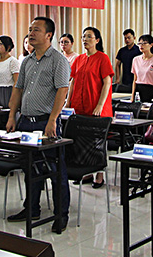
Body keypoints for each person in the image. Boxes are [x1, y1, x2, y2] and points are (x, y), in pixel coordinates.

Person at [6, 17, 71, 233]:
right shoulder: (27, 61)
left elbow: (62, 91)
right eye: (30, 29)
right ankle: (31, 209)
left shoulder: (58, 60)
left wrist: (52, 120)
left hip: (46, 122)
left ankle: (61, 214)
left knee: (55, 171)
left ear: (48, 35)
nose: (31, 33)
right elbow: (18, 89)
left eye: (36, 30)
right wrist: (12, 116)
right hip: (26, 122)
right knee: (30, 169)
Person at [67, 26, 114, 188]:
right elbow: (73, 81)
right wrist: (68, 102)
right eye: (83, 37)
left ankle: (99, 175)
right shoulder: (79, 59)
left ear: (97, 40)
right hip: (79, 106)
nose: (85, 40)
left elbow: (107, 82)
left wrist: (100, 105)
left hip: (96, 107)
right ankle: (86, 172)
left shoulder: (102, 58)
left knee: (97, 143)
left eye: (89, 36)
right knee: (81, 140)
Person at [130, 34, 153, 103]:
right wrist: (132, 96)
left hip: (151, 90)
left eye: (144, 43)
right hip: (139, 91)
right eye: (139, 43)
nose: (141, 46)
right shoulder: (136, 60)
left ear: (151, 44)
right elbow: (134, 80)